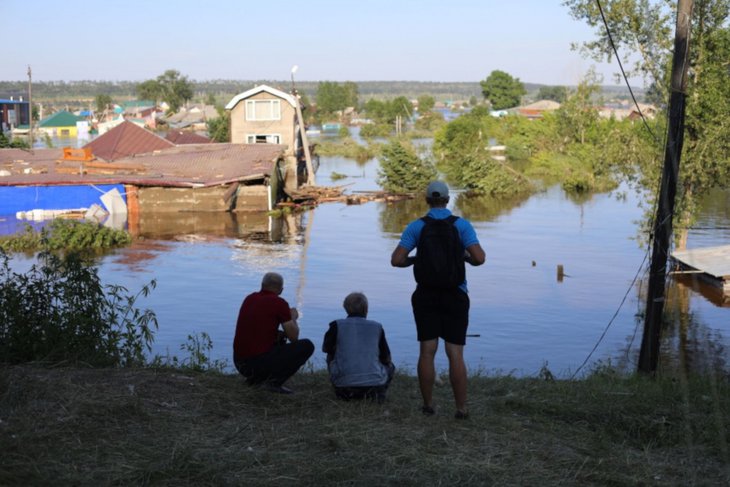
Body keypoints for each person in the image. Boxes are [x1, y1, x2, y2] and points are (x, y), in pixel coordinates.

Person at [390, 181, 485, 419]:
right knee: (455, 353)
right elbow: (480, 258)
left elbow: (396, 260)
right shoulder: (461, 226)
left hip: (426, 294)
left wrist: (416, 260)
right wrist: (463, 256)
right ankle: (461, 408)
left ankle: (428, 405)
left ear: (426, 200)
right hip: (456, 294)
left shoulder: (416, 227)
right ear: (447, 199)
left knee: (427, 351)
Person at [233, 272, 314, 394]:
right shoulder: (279, 303)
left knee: (280, 336)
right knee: (307, 345)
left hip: (239, 362)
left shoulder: (249, 298)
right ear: (281, 290)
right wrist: (293, 318)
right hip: (255, 363)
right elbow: (294, 337)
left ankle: (256, 380)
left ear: (261, 285)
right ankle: (273, 383)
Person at [322, 292, 395, 403]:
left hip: (344, 389)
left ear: (345, 308)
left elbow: (326, 349)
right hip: (374, 387)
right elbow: (386, 358)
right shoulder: (377, 327)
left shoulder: (336, 326)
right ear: (366, 309)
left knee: (330, 355)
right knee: (390, 366)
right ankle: (379, 392)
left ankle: (340, 384)